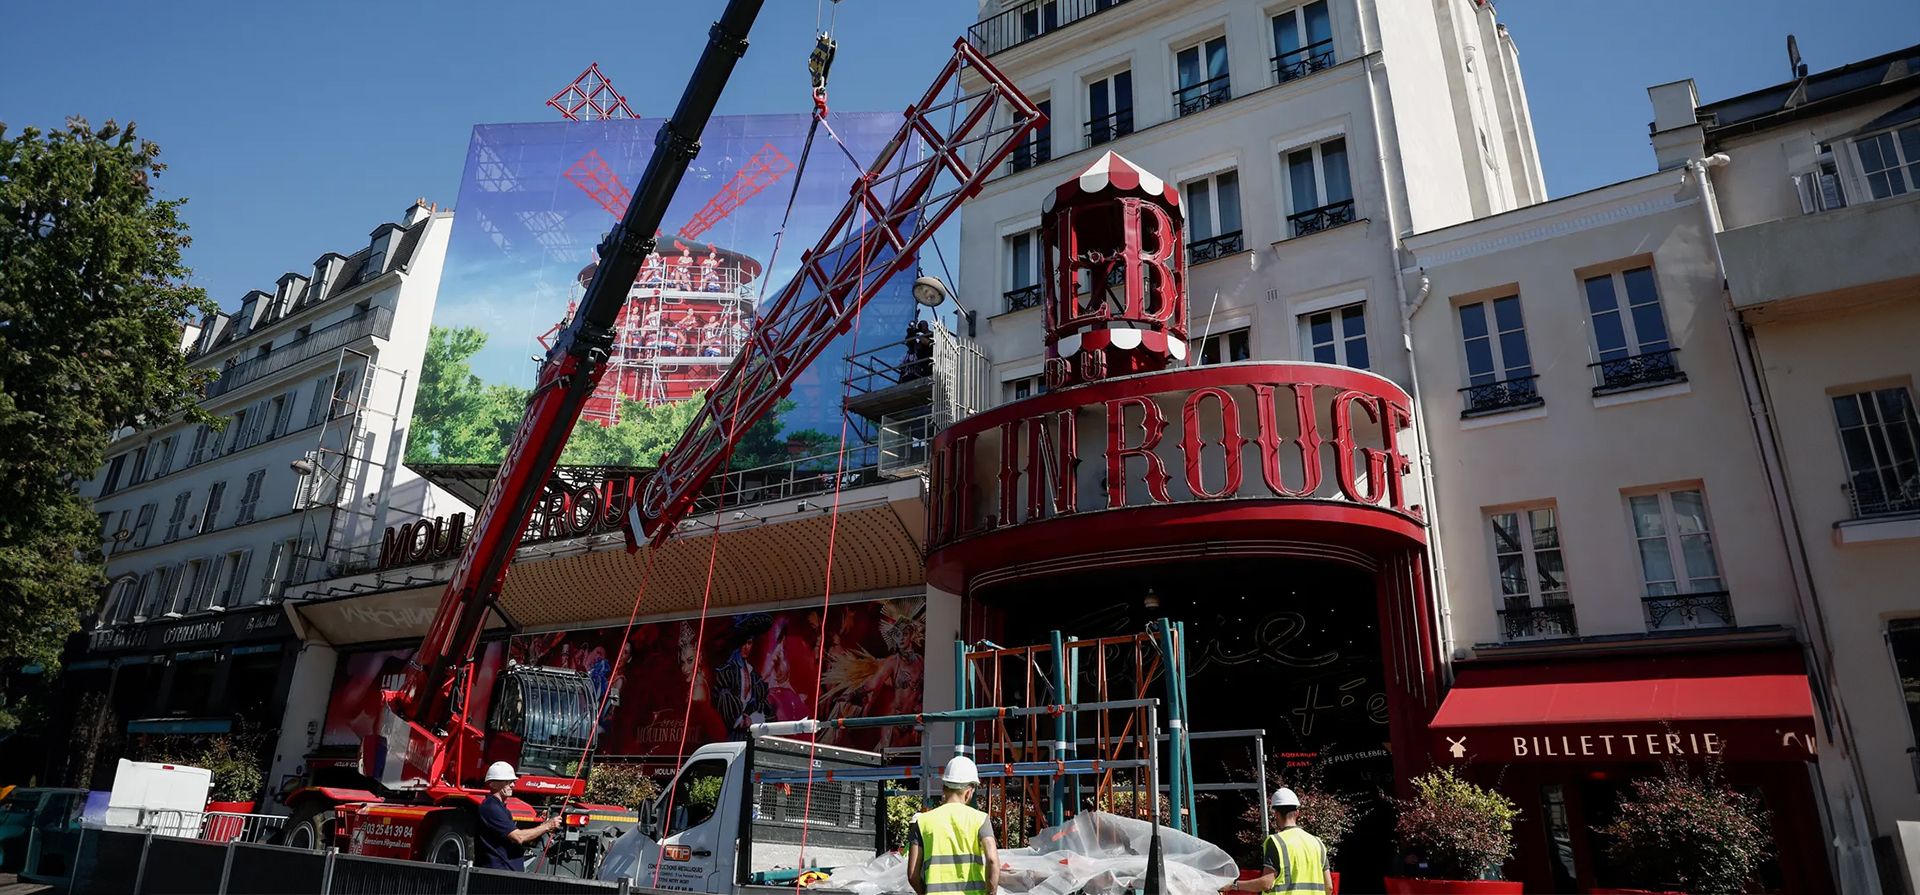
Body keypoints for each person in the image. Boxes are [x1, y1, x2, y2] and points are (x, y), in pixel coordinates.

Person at [908, 756, 999, 895]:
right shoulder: (980, 819)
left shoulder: (922, 822)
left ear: (943, 788)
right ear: (969, 792)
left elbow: (912, 876)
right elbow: (992, 860)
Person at [1220, 788, 1329, 895]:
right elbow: (1328, 886)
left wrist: (1233, 885)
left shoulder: (1277, 842)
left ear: (1276, 814)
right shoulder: (1318, 843)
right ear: (1297, 813)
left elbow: (1266, 883)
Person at [476, 762, 559, 872]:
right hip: (498, 874)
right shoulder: (491, 808)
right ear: (492, 784)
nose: (512, 785)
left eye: (512, 782)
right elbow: (519, 837)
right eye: (507, 781)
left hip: (505, 871)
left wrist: (542, 827)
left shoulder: (500, 808)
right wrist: (547, 826)